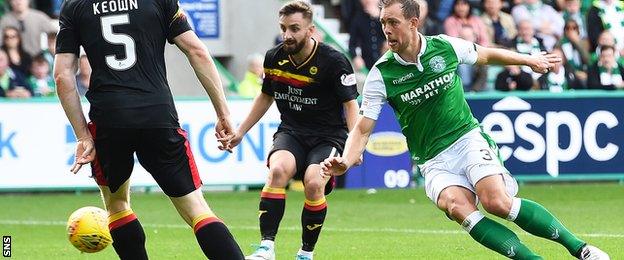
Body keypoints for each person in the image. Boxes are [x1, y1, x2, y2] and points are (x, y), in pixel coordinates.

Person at [320, 1, 610, 259]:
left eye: (393, 22)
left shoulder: (444, 47)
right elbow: (362, 128)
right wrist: (346, 160)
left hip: (465, 138)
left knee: (496, 202)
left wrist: (530, 60)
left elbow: (484, 54)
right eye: (383, 22)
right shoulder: (381, 74)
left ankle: (580, 248)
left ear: (413, 22)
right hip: (432, 159)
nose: (387, 29)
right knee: (457, 206)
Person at [54, 0, 244, 259]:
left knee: (118, 206)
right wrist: (223, 113)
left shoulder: (75, 5)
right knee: (197, 209)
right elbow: (197, 52)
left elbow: (62, 75)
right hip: (158, 114)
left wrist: (82, 135)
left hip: (109, 119)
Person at [220, 2, 359, 259]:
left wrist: (354, 147)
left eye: (295, 28)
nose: (287, 35)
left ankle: (306, 253)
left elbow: (351, 105)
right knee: (277, 171)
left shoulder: (334, 61)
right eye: (283, 28)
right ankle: (266, 248)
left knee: (314, 183)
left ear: (311, 30)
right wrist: (240, 132)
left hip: (328, 135)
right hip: (292, 131)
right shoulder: (274, 57)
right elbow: (265, 97)